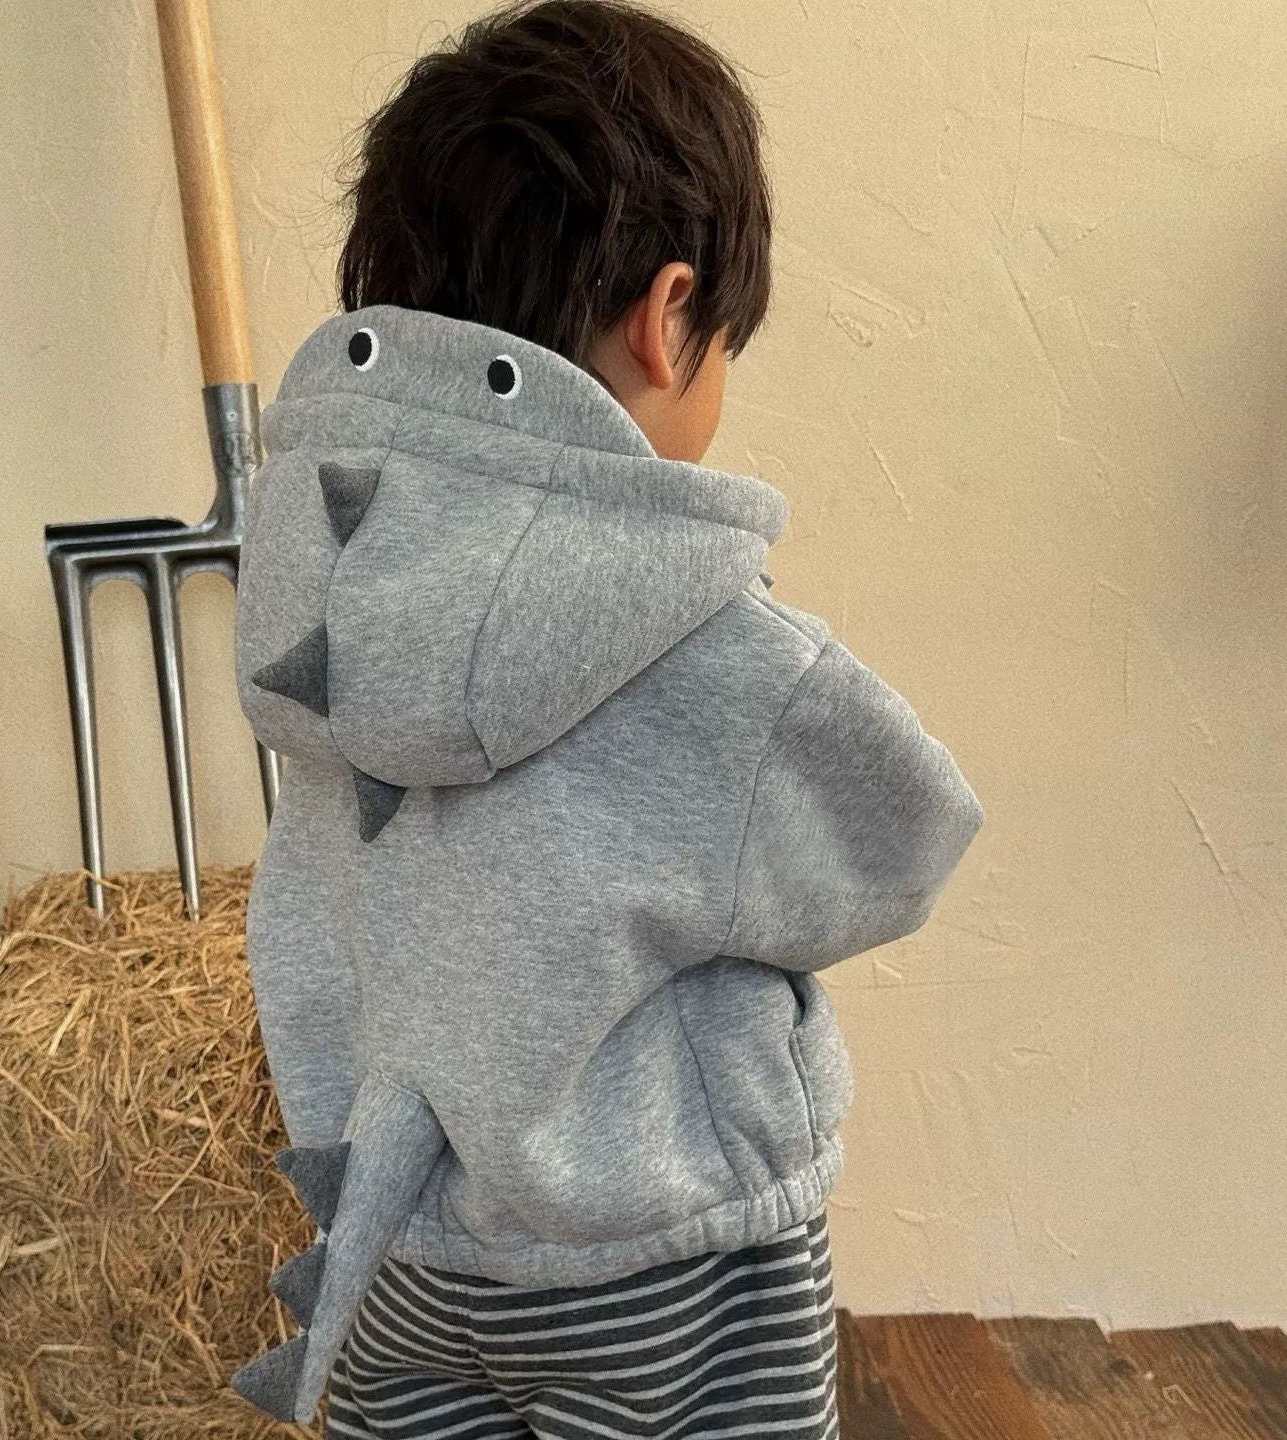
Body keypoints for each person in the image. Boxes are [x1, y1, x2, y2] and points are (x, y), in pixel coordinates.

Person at [227, 2, 985, 1435]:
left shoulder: (320, 592)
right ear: (667, 313)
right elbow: (904, 844)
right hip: (670, 1261)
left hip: (401, 1247)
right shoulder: (709, 640)